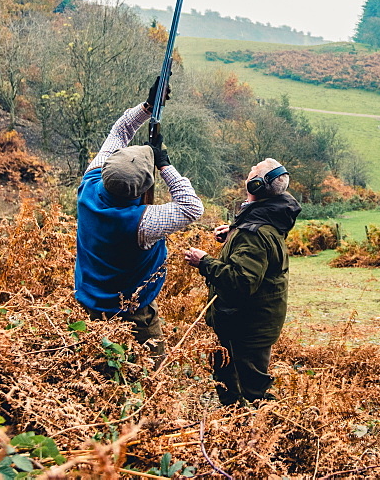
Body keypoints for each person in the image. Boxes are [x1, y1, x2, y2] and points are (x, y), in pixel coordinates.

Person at [75, 78, 205, 370]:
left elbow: (120, 131)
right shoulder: (143, 223)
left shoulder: (90, 181)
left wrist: (148, 106)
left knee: (98, 378)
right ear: (142, 189)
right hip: (134, 314)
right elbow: (191, 206)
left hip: (89, 305)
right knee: (148, 378)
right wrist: (164, 163)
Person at [185, 158, 301, 407]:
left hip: (247, 326)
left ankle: (257, 434)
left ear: (257, 186)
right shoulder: (270, 215)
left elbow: (241, 281)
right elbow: (262, 245)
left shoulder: (254, 233)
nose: (249, 172)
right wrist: (234, 234)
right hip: (250, 319)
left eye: (253, 172)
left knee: (252, 390)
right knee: (229, 375)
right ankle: (235, 427)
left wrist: (204, 262)